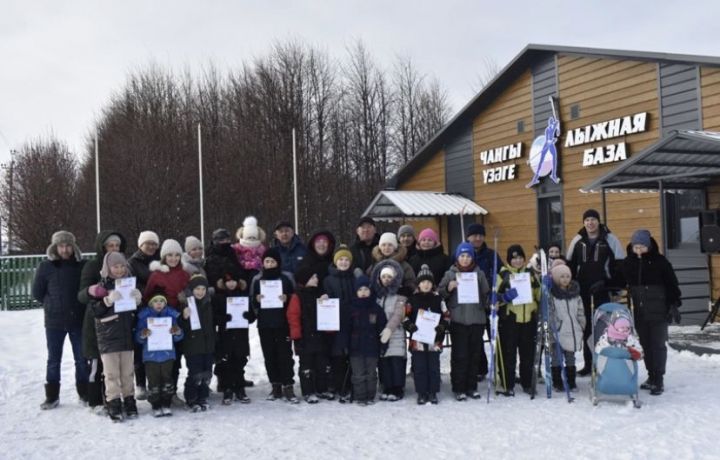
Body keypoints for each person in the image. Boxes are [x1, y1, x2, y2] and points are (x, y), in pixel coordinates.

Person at [32, 230, 88, 409]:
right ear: (55, 247)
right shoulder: (45, 267)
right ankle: (52, 396)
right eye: (61, 246)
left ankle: (84, 393)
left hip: (78, 320)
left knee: (81, 358)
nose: (65, 249)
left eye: (68, 245)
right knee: (53, 360)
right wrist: (52, 304)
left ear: (73, 247)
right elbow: (37, 293)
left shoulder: (82, 265)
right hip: (54, 322)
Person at [621, 229, 681, 396]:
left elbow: (672, 285)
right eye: (636, 247)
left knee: (658, 345)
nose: (638, 250)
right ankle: (651, 376)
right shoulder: (629, 263)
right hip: (640, 312)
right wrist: (604, 284)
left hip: (659, 310)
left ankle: (659, 379)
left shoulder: (660, 262)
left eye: (642, 247)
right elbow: (618, 279)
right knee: (646, 345)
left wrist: (674, 304)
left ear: (648, 246)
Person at [566, 209, 625, 376]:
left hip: (604, 291)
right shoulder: (577, 240)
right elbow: (569, 264)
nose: (590, 223)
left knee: (605, 328)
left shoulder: (610, 239)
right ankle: (588, 363)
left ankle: (604, 363)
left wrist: (611, 285)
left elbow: (619, 265)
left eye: (593, 219)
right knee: (586, 328)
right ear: (583, 222)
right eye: (587, 220)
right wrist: (572, 285)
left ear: (598, 221)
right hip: (582, 291)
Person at [78, 230, 127, 413]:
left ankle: (114, 399)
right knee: (97, 365)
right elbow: (81, 295)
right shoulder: (92, 266)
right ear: (102, 247)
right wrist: (94, 291)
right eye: (110, 245)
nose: (113, 248)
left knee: (115, 367)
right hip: (96, 322)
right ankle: (95, 401)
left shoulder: (123, 265)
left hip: (118, 324)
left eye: (117, 245)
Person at [90, 252, 142, 421]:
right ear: (108, 268)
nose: (119, 270)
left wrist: (138, 300)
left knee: (127, 372)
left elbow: (135, 312)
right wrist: (106, 301)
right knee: (111, 374)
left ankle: (129, 400)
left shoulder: (129, 284)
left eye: (122, 266)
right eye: (115, 266)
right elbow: (94, 311)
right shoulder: (101, 287)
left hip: (126, 336)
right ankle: (113, 402)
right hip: (109, 337)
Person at [438, 242, 490, 400]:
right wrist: (448, 288)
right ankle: (458, 387)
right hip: (458, 320)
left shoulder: (479, 274)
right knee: (460, 355)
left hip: (476, 320)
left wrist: (487, 298)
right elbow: (440, 292)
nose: (465, 259)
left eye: (468, 256)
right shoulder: (450, 273)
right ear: (457, 257)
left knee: (474, 355)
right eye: (462, 256)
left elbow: (486, 294)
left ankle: (471, 386)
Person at [250, 248, 298, 403]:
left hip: (283, 323)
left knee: (285, 355)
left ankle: (288, 385)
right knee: (269, 356)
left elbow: (295, 297)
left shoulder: (286, 278)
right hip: (265, 324)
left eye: (272, 261)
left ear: (278, 262)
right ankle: (275, 385)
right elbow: (251, 301)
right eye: (267, 261)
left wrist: (287, 297)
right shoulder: (257, 279)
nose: (269, 264)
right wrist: (257, 299)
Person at [496, 245, 540, 396]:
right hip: (510, 319)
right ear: (509, 260)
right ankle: (507, 383)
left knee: (527, 354)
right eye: (514, 258)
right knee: (509, 353)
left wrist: (545, 285)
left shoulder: (530, 274)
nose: (517, 261)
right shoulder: (504, 275)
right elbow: (494, 298)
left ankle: (527, 382)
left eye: (520, 257)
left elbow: (538, 293)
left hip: (528, 319)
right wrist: (504, 298)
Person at [403, 264, 449, 404]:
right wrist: (409, 325)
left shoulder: (438, 299)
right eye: (423, 282)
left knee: (433, 367)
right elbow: (405, 316)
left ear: (432, 284)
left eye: (429, 282)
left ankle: (433, 392)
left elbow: (446, 315)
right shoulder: (412, 299)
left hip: (434, 341)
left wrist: (442, 326)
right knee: (420, 368)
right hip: (418, 341)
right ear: (418, 284)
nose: (426, 285)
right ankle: (422, 392)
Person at [135, 290, 184, 417]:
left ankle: (166, 403)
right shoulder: (144, 317)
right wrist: (143, 334)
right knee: (153, 381)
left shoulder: (171, 316)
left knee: (167, 380)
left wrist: (177, 332)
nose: (159, 304)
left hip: (167, 354)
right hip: (150, 356)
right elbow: (138, 338)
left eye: (162, 301)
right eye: (156, 301)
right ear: (151, 303)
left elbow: (179, 336)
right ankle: (156, 404)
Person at [287, 266, 331, 403]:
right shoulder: (297, 296)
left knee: (321, 365)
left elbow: (327, 314)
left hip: (319, 336)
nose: (316, 279)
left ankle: (321, 389)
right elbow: (293, 316)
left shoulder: (320, 294)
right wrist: (296, 335)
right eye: (313, 277)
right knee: (307, 366)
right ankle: (308, 391)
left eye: (316, 277)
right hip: (304, 338)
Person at [212, 266, 254, 405]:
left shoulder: (243, 296)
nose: (231, 284)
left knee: (240, 362)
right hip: (226, 336)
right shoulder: (219, 297)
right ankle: (227, 388)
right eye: (228, 281)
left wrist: (248, 316)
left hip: (241, 335)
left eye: (233, 281)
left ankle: (240, 388)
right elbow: (214, 317)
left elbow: (252, 316)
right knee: (226, 363)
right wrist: (223, 319)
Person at [466, 223, 502, 381]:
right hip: (472, 304)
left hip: (490, 302)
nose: (478, 238)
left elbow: (501, 274)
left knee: (496, 335)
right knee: (476, 338)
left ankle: (501, 369)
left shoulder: (491, 255)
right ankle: (480, 368)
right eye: (474, 235)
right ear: (468, 237)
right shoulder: (464, 254)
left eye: (480, 235)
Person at [127, 230, 160, 401]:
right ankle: (140, 383)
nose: (151, 246)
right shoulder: (133, 262)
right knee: (140, 345)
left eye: (154, 243)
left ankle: (156, 382)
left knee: (157, 344)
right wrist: (143, 294)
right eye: (148, 243)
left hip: (160, 307)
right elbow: (131, 283)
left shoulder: (160, 260)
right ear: (140, 245)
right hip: (141, 307)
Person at [322, 245, 356, 402]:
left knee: (349, 354)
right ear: (335, 262)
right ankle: (335, 384)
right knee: (336, 356)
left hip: (352, 321)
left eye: (346, 259)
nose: (343, 262)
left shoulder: (354, 278)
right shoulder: (328, 279)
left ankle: (348, 385)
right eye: (340, 259)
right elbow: (326, 298)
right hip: (334, 323)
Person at [371, 259, 408, 401]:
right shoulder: (378, 297)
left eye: (389, 277)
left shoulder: (400, 296)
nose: (386, 280)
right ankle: (387, 386)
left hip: (396, 333)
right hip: (380, 335)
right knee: (385, 362)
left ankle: (397, 388)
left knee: (396, 362)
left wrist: (389, 329)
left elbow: (398, 314)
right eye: (384, 277)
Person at [347, 275, 387, 406]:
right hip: (355, 347)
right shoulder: (351, 308)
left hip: (372, 346)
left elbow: (382, 328)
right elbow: (346, 329)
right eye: (360, 290)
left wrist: (383, 344)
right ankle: (361, 396)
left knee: (371, 373)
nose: (363, 292)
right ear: (355, 292)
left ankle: (370, 395)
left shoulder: (376, 309)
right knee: (358, 373)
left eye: (366, 289)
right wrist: (345, 345)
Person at [547, 260, 585, 391]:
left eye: (567, 276)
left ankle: (571, 381)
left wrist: (581, 324)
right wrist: (555, 326)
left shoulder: (575, 294)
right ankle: (557, 382)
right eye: (562, 277)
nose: (565, 279)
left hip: (572, 330)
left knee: (570, 358)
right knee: (556, 358)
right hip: (558, 331)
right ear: (556, 278)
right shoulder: (552, 295)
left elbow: (580, 311)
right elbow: (550, 312)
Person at [179, 275, 215, 412]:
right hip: (193, 346)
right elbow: (181, 326)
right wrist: (184, 317)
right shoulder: (186, 304)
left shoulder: (209, 303)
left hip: (208, 345)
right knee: (195, 374)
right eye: (197, 289)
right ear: (191, 289)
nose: (200, 292)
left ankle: (203, 397)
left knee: (207, 373)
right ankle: (191, 398)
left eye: (203, 289)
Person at [368, 232, 416, 297]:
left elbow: (411, 281)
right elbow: (368, 279)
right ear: (380, 247)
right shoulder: (375, 265)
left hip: (398, 299)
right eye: (383, 245)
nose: (386, 248)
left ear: (395, 247)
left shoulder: (403, 265)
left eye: (390, 245)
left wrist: (404, 290)